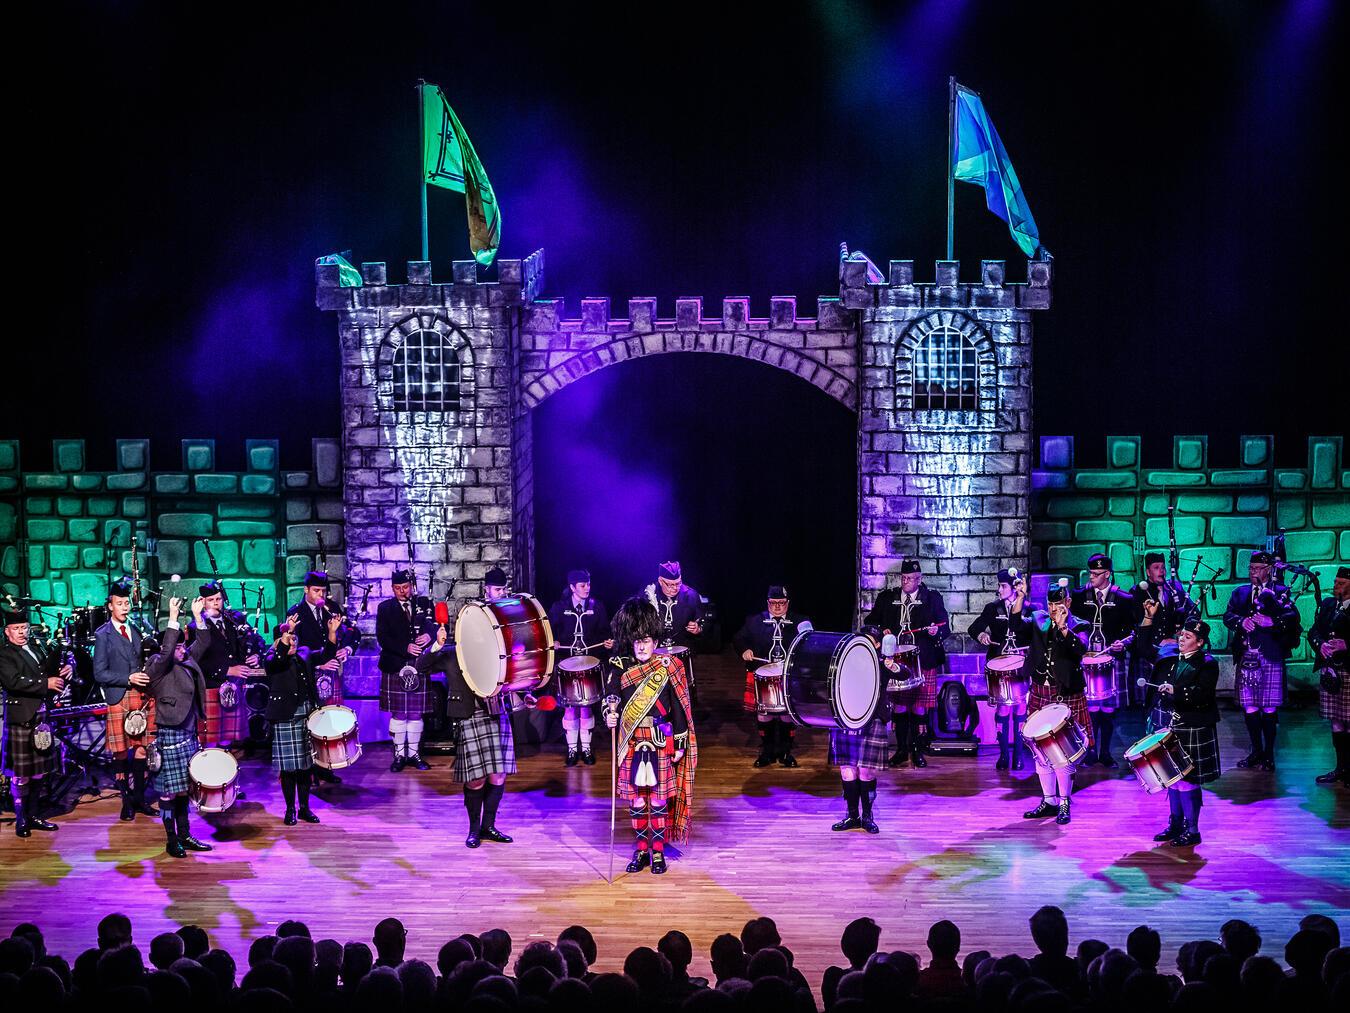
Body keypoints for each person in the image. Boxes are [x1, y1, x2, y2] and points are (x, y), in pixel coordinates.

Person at [605, 596, 697, 875]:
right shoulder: (619, 666)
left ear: (655, 641)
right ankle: (641, 850)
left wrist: (679, 743)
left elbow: (680, 707)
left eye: (646, 640)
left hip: (659, 740)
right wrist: (607, 714)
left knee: (657, 801)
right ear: (630, 641)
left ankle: (658, 853)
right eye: (637, 641)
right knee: (637, 801)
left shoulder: (669, 667)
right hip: (631, 741)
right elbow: (610, 699)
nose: (642, 646)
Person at [439, 613, 527, 848]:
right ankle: (474, 829)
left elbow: (510, 678)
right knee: (476, 779)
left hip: (496, 712)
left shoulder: (497, 650)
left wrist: (525, 695)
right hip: (471, 716)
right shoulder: (451, 654)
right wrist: (436, 644)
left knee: (498, 775)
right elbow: (421, 666)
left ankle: (489, 826)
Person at [1137, 608, 1221, 847]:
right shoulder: (1173, 658)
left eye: (1188, 637)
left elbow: (1203, 694)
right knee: (1171, 778)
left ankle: (1193, 830)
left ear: (1200, 642)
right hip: (1172, 727)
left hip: (1194, 726)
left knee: (1189, 779)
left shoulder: (1207, 663)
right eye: (1181, 635)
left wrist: (1177, 691)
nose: (1181, 639)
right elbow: (1144, 648)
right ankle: (1175, 824)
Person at [1014, 578, 1090, 825]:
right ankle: (1049, 801)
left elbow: (1080, 649)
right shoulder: (1037, 619)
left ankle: (1065, 802)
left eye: (1058, 604)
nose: (1053, 609)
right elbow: (1016, 625)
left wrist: (1063, 626)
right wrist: (1020, 597)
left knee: (1063, 755)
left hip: (1066, 696)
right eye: (1050, 604)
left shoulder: (1079, 624)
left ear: (1068, 602)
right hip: (1040, 693)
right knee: (1040, 751)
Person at [144, 596, 215, 857]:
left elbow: (204, 641)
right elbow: (168, 649)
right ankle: (171, 839)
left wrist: (198, 617)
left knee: (184, 787)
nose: (183, 649)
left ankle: (185, 834)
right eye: (178, 646)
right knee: (168, 792)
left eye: (184, 646)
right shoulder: (158, 666)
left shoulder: (185, 658)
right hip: (170, 732)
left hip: (189, 732)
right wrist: (172, 616)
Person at [864, 559, 949, 768]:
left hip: (923, 660)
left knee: (919, 708)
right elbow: (870, 622)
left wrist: (936, 631)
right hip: (896, 661)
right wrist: (881, 629)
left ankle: (918, 751)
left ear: (919, 579)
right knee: (900, 708)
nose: (905, 581)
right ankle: (902, 750)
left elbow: (945, 626)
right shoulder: (887, 598)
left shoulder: (932, 599)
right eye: (903, 577)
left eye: (910, 578)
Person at [1223, 550, 1300, 771]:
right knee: (1249, 707)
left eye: (1258, 568)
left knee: (1268, 708)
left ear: (1269, 570)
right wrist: (1241, 621)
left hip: (1270, 656)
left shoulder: (1281, 592)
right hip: (1247, 655)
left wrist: (1272, 622)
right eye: (1251, 568)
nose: (1253, 572)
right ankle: (1256, 751)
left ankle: (1269, 755)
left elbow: (1293, 619)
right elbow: (1228, 616)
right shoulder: (1240, 593)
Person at [265, 614, 341, 825]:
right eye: (288, 638)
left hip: (307, 714)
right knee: (289, 768)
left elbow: (326, 655)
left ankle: (304, 808)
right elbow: (278, 660)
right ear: (278, 640)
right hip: (284, 716)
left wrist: (332, 632)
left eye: (294, 638)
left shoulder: (304, 653)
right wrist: (285, 637)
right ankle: (290, 809)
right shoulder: (271, 657)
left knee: (306, 765)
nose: (293, 642)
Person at [0, 608, 70, 837]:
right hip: (21, 718)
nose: (21, 632)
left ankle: (34, 814)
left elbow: (50, 672)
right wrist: (46, 683)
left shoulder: (37, 647)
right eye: (16, 629)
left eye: (24, 628)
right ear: (7, 631)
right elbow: (13, 681)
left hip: (41, 716)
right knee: (22, 774)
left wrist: (65, 670)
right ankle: (21, 819)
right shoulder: (4, 653)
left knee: (39, 772)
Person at [286, 571, 360, 786]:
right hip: (308, 675)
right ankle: (309, 769)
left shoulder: (332, 609)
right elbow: (294, 649)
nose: (321, 596)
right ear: (306, 590)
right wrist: (319, 663)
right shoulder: (296, 613)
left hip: (332, 674)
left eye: (324, 591)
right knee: (311, 722)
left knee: (328, 721)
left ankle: (326, 766)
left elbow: (351, 632)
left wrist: (346, 648)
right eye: (316, 591)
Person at [93, 578, 157, 821]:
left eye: (126, 603)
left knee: (141, 750)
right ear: (110, 606)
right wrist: (128, 677)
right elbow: (100, 674)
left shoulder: (137, 630)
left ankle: (140, 799)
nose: (125, 607)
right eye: (119, 603)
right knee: (121, 752)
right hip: (119, 696)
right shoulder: (103, 635)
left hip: (140, 697)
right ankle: (125, 801)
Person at [1069, 554, 1138, 768]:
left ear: (1107, 574)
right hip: (1086, 661)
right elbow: (1071, 623)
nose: (1091, 577)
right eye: (1089, 573)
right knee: (1089, 708)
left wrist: (1123, 644)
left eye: (1096, 574)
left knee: (1107, 709)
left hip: (1112, 660)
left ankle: (1105, 753)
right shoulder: (1079, 596)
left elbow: (1133, 631)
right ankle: (1089, 751)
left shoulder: (1124, 599)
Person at [734, 585, 810, 767]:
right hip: (762, 676)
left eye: (781, 603)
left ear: (788, 603)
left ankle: (786, 752)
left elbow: (809, 636)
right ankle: (766, 752)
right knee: (764, 715)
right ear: (767, 602)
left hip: (787, 676)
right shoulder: (754, 621)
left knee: (786, 715)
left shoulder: (800, 621)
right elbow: (738, 638)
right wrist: (745, 650)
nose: (777, 607)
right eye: (773, 603)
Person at [546, 569, 613, 766]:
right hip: (567, 666)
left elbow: (605, 632)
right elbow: (549, 632)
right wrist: (555, 642)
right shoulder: (559, 608)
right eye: (583, 586)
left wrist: (607, 642)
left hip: (588, 664)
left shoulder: (597, 607)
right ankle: (572, 750)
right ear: (572, 587)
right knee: (570, 709)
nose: (587, 588)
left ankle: (586, 748)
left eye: (589, 584)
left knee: (586, 708)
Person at [968, 568, 1032, 770]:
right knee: (1003, 708)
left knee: (1021, 707)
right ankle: (1004, 754)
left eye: (1003, 586)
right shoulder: (992, 608)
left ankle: (1019, 755)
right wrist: (981, 636)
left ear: (1015, 587)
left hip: (1021, 667)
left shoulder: (1030, 608)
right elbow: (974, 628)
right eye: (999, 585)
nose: (999, 589)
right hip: (998, 665)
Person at [829, 626, 891, 833]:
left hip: (872, 721)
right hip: (845, 719)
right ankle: (852, 815)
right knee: (848, 772)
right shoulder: (844, 663)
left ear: (877, 645)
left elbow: (904, 673)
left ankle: (867, 816)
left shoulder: (882, 664)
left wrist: (894, 666)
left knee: (865, 772)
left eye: (868, 641)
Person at [188, 581, 263, 751]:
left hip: (235, 685)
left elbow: (256, 640)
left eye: (218, 599)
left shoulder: (234, 618)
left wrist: (255, 655)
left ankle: (225, 774)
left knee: (228, 738)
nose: (215, 603)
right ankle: (210, 774)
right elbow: (195, 661)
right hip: (211, 686)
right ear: (202, 602)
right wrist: (227, 669)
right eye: (211, 600)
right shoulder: (195, 627)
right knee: (211, 740)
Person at [375, 569, 436, 771]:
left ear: (411, 586)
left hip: (419, 665)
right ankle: (399, 755)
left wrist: (430, 636)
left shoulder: (424, 604)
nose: (403, 591)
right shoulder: (385, 608)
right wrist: (405, 648)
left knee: (417, 713)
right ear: (392, 588)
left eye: (406, 587)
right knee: (399, 713)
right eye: (398, 588)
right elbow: (382, 638)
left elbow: (437, 627)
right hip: (395, 665)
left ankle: (414, 755)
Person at [1310, 566, 1350, 786]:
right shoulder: (1328, 605)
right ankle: (1341, 768)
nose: (1336, 586)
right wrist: (1321, 645)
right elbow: (1313, 631)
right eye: (1335, 582)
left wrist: (1347, 645)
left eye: (1341, 583)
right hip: (1331, 672)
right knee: (1336, 722)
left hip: (1348, 670)